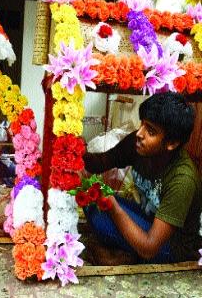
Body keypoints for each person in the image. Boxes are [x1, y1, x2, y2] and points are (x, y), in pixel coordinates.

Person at [83, 92, 202, 264]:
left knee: (101, 216)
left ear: (172, 143)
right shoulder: (137, 143)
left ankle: (128, 256)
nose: (139, 133)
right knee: (91, 199)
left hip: (173, 246)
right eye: (142, 124)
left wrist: (113, 207)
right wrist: (79, 152)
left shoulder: (182, 179)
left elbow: (149, 247)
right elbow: (101, 163)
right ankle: (126, 253)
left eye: (151, 131)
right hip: (149, 220)